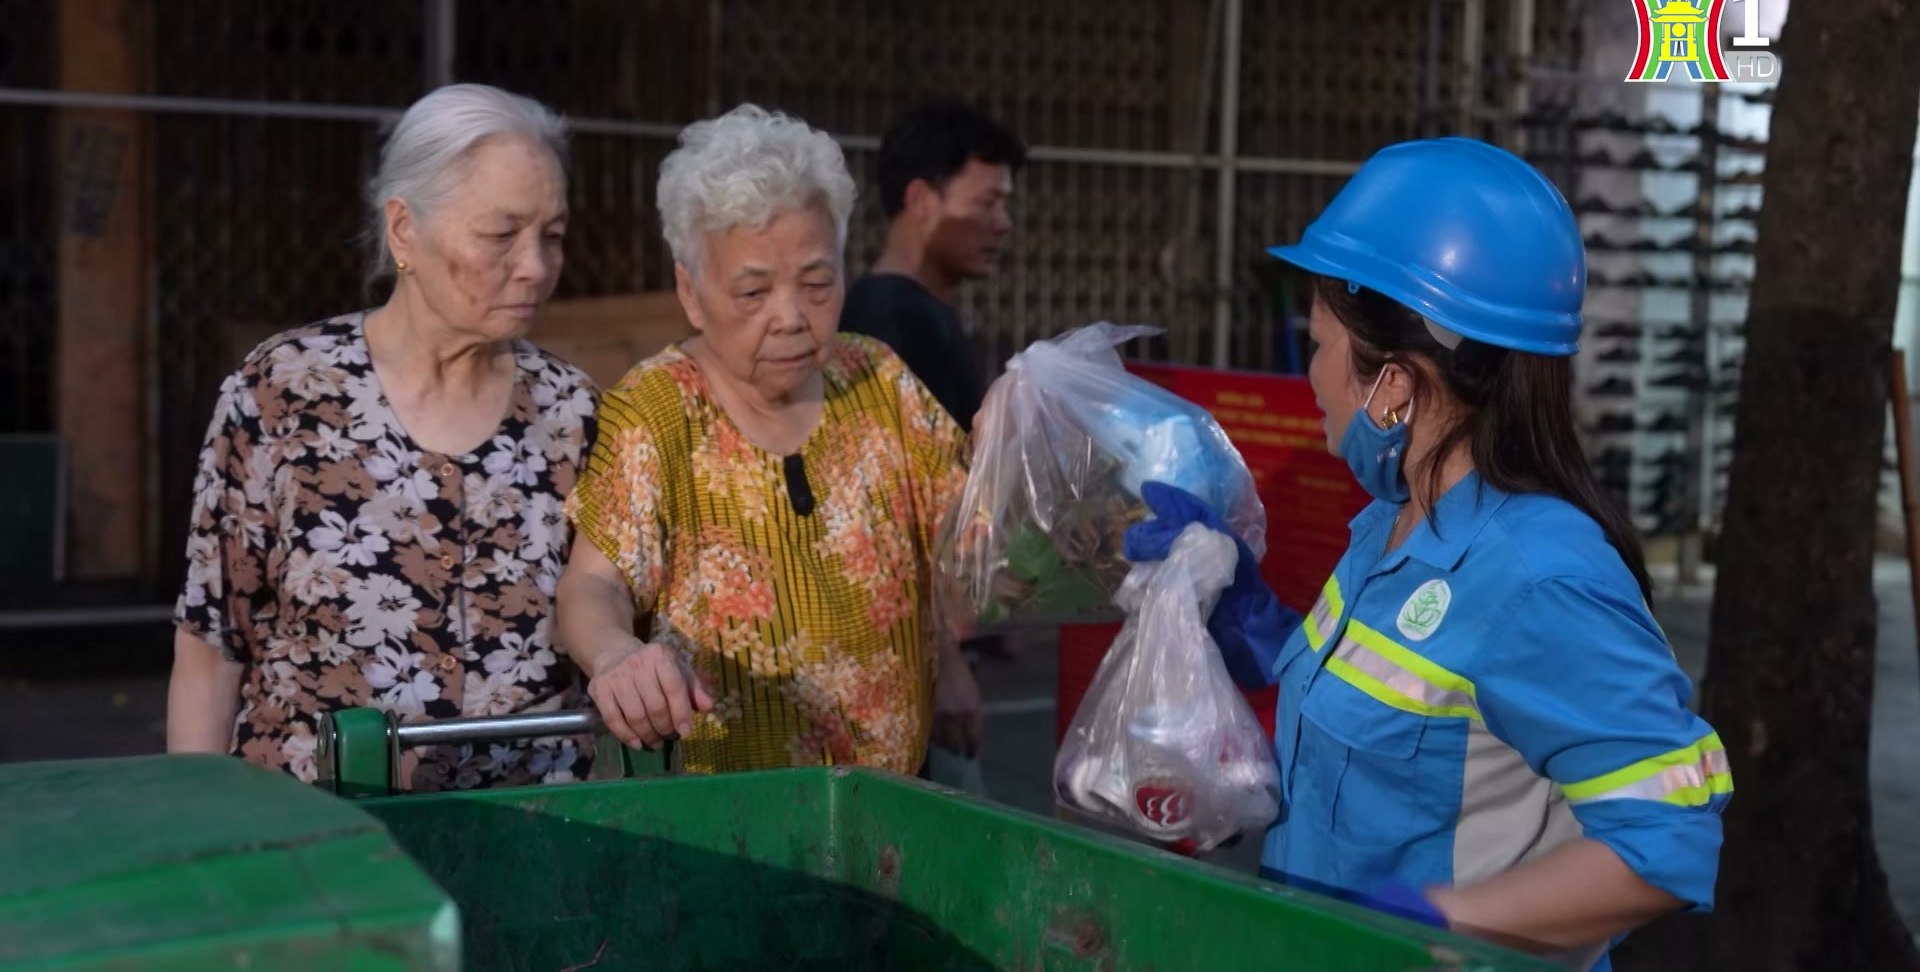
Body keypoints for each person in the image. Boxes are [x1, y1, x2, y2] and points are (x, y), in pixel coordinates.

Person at [1126, 138, 1729, 969]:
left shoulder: (1540, 576)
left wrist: (1437, 919)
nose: (1311, 375)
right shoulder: (1394, 520)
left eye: (1320, 345)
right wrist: (1250, 617)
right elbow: (1397, 705)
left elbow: (1669, 842)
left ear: (1395, 384)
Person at [166, 83, 600, 790]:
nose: (535, 267)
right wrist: (196, 839)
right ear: (404, 231)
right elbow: (214, 646)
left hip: (535, 835)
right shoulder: (284, 391)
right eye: (501, 235)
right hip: (315, 831)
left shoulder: (572, 411)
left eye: (552, 237)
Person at [555, 104, 982, 775]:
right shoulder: (659, 408)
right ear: (691, 294)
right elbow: (594, 583)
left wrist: (1017, 446)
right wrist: (613, 652)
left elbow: (968, 542)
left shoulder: (877, 380)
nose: (791, 318)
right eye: (752, 293)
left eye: (816, 284)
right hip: (729, 822)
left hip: (890, 806)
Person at [839, 99, 1026, 433]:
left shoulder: (921, 313)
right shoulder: (888, 324)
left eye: (1004, 205)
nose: (1003, 223)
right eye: (987, 203)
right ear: (921, 199)